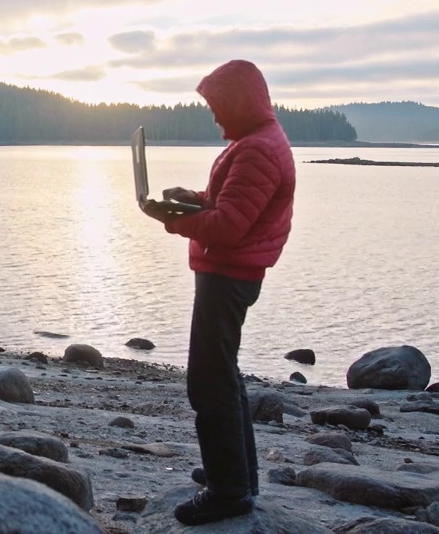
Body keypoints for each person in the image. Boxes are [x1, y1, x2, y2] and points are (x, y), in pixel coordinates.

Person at [139, 59, 296, 526]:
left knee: (208, 381)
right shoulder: (253, 143)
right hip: (231, 272)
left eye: (218, 106)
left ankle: (228, 492)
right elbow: (229, 204)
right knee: (222, 375)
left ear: (241, 102)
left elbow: (228, 228)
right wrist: (194, 199)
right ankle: (237, 476)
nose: (215, 116)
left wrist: (171, 219)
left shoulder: (257, 151)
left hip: (230, 275)